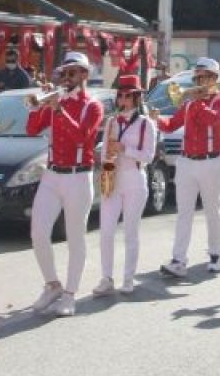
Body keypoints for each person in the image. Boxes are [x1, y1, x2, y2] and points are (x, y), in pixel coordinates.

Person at [25, 52, 104, 317]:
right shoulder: (56, 102)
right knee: (38, 232)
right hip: (52, 174)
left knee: (75, 237)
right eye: (64, 73)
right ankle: (52, 284)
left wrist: (59, 109)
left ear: (84, 75)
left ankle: (70, 294)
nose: (66, 78)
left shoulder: (92, 106)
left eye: (72, 73)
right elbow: (32, 130)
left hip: (78, 176)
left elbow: (82, 138)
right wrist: (41, 106)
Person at [154, 58, 220, 278]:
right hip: (186, 162)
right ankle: (179, 260)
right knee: (183, 213)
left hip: (211, 161)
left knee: (212, 211)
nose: (200, 81)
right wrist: (156, 119)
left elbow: (213, 122)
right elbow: (172, 125)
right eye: (197, 77)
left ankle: (215, 254)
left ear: (215, 79)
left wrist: (198, 102)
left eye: (205, 77)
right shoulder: (189, 103)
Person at [93, 75, 157, 296]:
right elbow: (103, 152)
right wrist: (105, 160)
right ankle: (106, 277)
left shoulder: (145, 124)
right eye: (120, 94)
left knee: (130, 232)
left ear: (137, 97)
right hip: (112, 175)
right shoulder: (111, 121)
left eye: (127, 95)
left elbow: (149, 156)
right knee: (106, 231)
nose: (122, 98)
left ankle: (128, 278)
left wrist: (123, 149)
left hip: (134, 178)